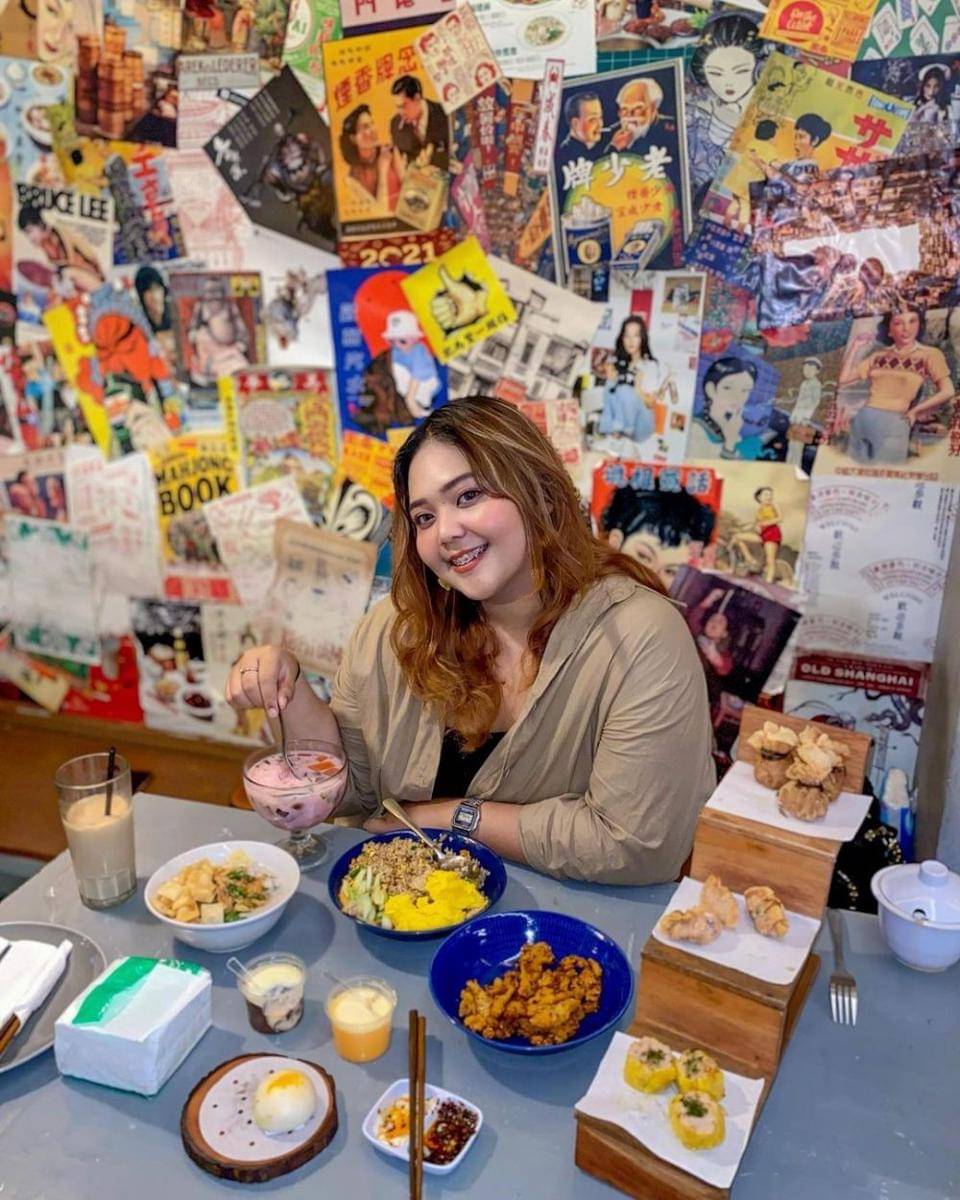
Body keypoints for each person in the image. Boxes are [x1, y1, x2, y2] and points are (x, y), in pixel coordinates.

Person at [227, 397, 715, 884]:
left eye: (468, 496)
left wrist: (451, 817)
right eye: (424, 517)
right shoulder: (395, 628)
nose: (446, 532)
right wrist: (288, 687)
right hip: (400, 914)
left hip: (562, 921)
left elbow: (635, 845)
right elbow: (352, 790)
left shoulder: (641, 636)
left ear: (541, 493)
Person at [836, 309, 954, 465]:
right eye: (898, 323)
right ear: (889, 330)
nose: (906, 329)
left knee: (887, 471)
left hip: (896, 420)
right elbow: (843, 379)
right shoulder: (878, 355)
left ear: (920, 325)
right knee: (853, 470)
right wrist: (855, 346)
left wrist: (915, 411)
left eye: (912, 321)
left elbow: (948, 391)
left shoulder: (929, 355)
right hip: (864, 418)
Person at [688, 13, 766, 200]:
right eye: (715, 74)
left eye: (741, 71)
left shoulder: (769, 108)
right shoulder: (698, 112)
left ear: (759, 70)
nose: (728, 83)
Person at [596, 315, 670, 451]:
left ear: (642, 338)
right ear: (622, 338)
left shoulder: (650, 365)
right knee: (610, 386)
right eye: (627, 336)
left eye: (636, 336)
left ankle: (620, 437)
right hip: (622, 423)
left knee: (624, 390)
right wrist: (611, 378)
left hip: (641, 425)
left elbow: (649, 403)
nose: (631, 341)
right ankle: (611, 435)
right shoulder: (620, 362)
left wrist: (638, 387)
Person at [340, 103, 401, 210]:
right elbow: (379, 212)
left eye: (372, 123)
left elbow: (408, 187)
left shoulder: (389, 151)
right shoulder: (353, 179)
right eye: (365, 127)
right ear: (353, 138)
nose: (373, 130)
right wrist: (382, 171)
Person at [382, 310, 441, 420]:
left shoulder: (419, 350)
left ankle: (423, 405)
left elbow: (418, 375)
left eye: (402, 341)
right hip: (407, 384)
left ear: (414, 338)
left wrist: (410, 399)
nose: (397, 345)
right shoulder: (395, 351)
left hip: (425, 382)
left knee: (398, 371)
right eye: (392, 341)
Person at [389, 75, 450, 171]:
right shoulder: (396, 125)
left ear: (417, 98)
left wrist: (433, 158)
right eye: (398, 107)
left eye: (403, 106)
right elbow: (402, 161)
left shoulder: (444, 114)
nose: (400, 112)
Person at [604, 78, 663, 152]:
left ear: (653, 110)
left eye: (638, 108)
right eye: (624, 109)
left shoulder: (668, 132)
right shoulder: (610, 133)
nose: (629, 114)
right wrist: (615, 147)